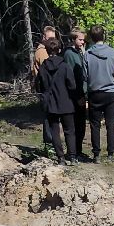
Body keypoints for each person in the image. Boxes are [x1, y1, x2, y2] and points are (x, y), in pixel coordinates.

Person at [82, 27, 114, 161]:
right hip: (110, 92)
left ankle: (96, 154)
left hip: (94, 93)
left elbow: (84, 76)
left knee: (95, 124)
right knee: (110, 124)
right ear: (104, 36)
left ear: (91, 38)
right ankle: (111, 153)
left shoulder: (87, 54)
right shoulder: (112, 52)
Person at [37, 35, 82, 163]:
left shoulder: (43, 68)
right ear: (59, 49)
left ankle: (60, 157)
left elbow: (39, 86)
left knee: (54, 130)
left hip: (51, 103)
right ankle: (72, 156)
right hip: (66, 102)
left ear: (46, 50)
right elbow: (72, 85)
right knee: (69, 130)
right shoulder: (65, 66)